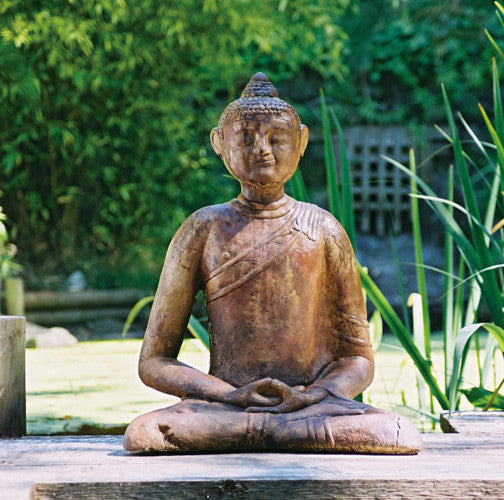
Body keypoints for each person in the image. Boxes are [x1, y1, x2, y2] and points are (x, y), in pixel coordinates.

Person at [123, 73, 422, 454]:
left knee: (397, 432)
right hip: (226, 407)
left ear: (301, 142)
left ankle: (269, 429)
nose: (262, 150)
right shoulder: (202, 229)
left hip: (310, 407)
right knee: (147, 433)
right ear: (219, 142)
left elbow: (358, 359)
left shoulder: (324, 228)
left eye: (276, 138)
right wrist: (231, 395)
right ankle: (272, 430)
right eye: (245, 138)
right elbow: (154, 361)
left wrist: (313, 394)